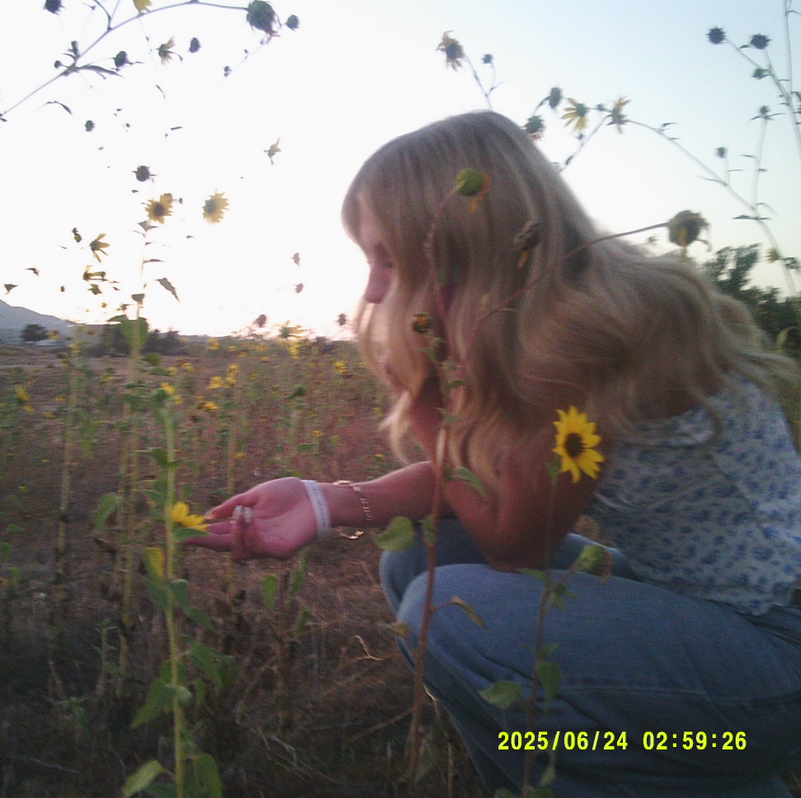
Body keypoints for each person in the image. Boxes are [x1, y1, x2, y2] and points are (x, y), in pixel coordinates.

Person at [187, 111, 801, 797]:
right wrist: (324, 500)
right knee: (419, 557)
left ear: (458, 247)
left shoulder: (587, 338)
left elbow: (514, 545)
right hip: (697, 609)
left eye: (388, 259)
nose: (373, 291)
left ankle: (680, 770)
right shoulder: (552, 316)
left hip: (773, 650)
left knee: (442, 612)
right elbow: (494, 481)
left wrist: (421, 399)